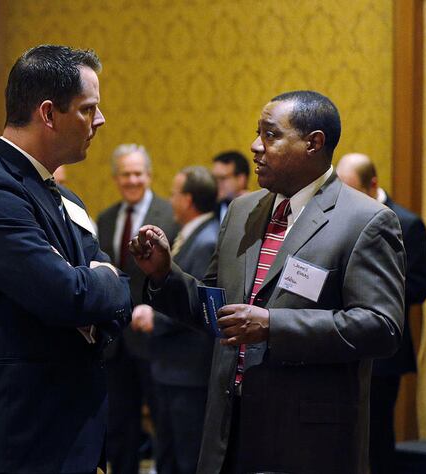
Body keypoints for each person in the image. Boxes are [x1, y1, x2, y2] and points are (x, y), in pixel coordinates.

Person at [130, 91, 405, 474]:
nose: (255, 146)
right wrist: (164, 274)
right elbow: (215, 308)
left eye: (271, 135)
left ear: (314, 143)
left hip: (307, 438)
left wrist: (273, 326)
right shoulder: (243, 210)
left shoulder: (365, 221)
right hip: (228, 427)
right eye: (257, 133)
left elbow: (382, 327)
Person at [0, 44, 132, 474]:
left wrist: (99, 284)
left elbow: (118, 297)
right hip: (10, 444)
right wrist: (96, 282)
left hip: (65, 440)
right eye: (88, 109)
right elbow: (66, 295)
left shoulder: (66, 198)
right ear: (48, 113)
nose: (100, 121)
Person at [336, 152, 426, 474]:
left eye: (351, 190)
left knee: (377, 437)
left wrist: (368, 285)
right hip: (342, 343)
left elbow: (418, 288)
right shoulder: (340, 217)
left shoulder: (408, 223)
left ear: (373, 184)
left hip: (385, 351)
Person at [96, 143, 178, 474]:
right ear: (116, 178)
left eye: (137, 173)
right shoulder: (106, 217)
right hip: (116, 339)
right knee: (120, 424)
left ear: (149, 176)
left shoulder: (169, 215)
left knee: (163, 421)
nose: (132, 180)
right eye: (125, 174)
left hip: (154, 335)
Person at [132, 166, 218, 474]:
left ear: (189, 199)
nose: (169, 200)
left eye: (174, 193)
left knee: (187, 457)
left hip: (189, 370)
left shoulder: (208, 240)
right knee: (167, 456)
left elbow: (199, 302)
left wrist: (155, 319)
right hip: (172, 368)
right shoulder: (189, 234)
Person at [211, 151, 249, 222]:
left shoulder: (257, 209)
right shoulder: (208, 209)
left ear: (240, 179)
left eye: (222, 178)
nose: (215, 183)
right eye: (214, 178)